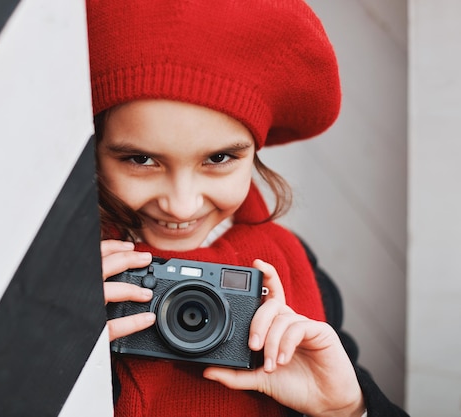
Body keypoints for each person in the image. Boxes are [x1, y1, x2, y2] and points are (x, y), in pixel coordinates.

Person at [86, 1, 409, 416]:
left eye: (218, 159)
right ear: (93, 152)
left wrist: (346, 409)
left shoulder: (294, 267)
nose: (182, 203)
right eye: (141, 160)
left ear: (254, 154)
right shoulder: (59, 279)